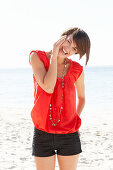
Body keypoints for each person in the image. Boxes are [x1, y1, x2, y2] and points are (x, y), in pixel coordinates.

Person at [29, 27, 91, 170]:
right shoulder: (37, 57)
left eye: (74, 49)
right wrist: (54, 55)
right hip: (42, 131)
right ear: (63, 36)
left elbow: (81, 98)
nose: (68, 49)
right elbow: (48, 87)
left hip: (69, 134)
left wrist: (75, 119)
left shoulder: (77, 69)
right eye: (68, 42)